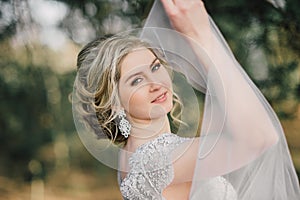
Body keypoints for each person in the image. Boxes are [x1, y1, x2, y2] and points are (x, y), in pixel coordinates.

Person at [73, 0, 300, 199]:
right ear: (115, 102)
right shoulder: (158, 161)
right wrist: (201, 37)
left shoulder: (133, 156)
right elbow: (260, 137)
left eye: (155, 67)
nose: (157, 83)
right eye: (136, 80)